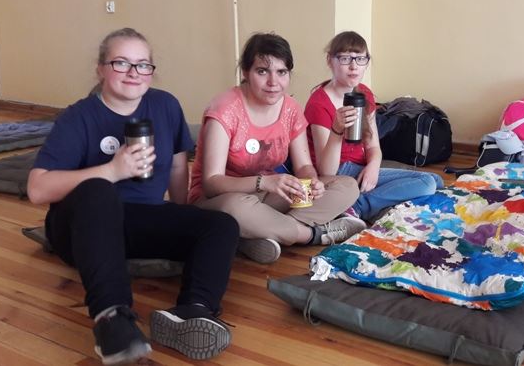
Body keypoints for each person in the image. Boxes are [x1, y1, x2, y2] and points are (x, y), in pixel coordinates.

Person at [27, 28, 240, 365]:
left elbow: (177, 168)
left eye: (142, 65)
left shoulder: (165, 105)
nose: (133, 73)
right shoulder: (78, 117)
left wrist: (181, 220)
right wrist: (112, 171)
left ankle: (192, 311)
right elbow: (37, 189)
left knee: (222, 225)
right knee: (99, 189)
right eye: (121, 63)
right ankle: (112, 320)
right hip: (83, 227)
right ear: (100, 68)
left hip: (140, 219)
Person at [188, 32, 364, 265]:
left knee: (347, 185)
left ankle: (256, 233)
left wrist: (312, 182)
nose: (273, 82)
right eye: (262, 71)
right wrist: (264, 182)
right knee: (236, 208)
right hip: (221, 200)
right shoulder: (224, 110)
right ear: (245, 72)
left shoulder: (290, 108)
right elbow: (211, 184)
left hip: (268, 197)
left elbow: (303, 166)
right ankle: (311, 234)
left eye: (281, 72)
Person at [304, 31, 443, 223]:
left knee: (437, 180)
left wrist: (373, 167)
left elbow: (373, 146)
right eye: (345, 58)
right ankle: (358, 207)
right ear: (330, 60)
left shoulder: (364, 94)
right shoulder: (319, 103)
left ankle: (371, 203)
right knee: (426, 182)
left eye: (360, 59)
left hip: (360, 166)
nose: (354, 66)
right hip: (340, 172)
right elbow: (326, 171)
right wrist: (337, 130)